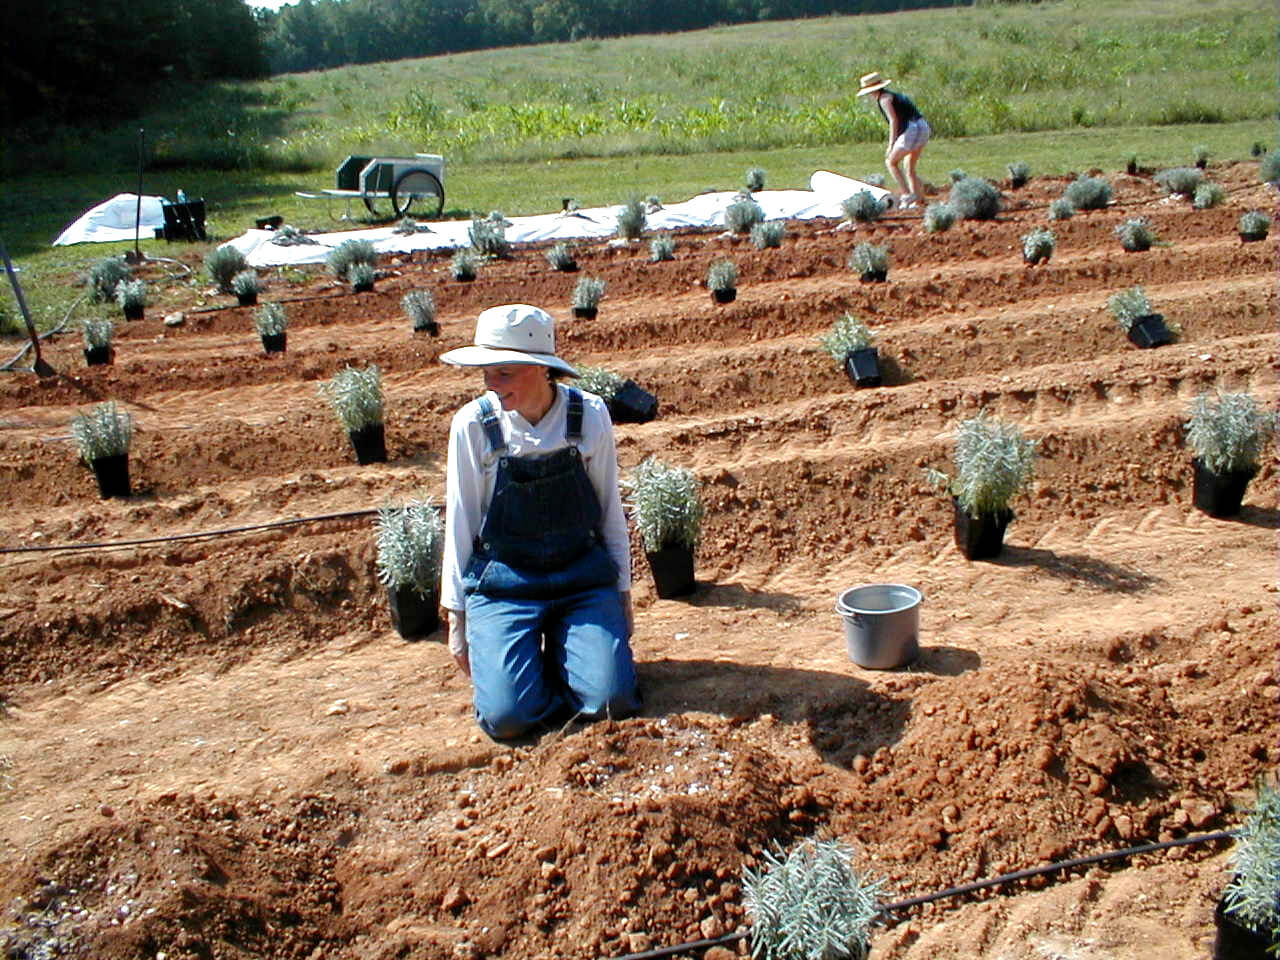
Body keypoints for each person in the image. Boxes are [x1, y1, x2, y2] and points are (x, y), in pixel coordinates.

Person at [438, 303, 640, 740]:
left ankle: (569, 657)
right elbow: (460, 522)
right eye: (486, 372)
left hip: (582, 579)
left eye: (504, 372)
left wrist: (622, 594)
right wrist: (457, 618)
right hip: (504, 585)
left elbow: (609, 510)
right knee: (507, 717)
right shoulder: (473, 424)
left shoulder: (588, 415)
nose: (491, 383)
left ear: (542, 370)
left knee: (610, 703)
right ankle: (534, 667)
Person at [856, 71, 931, 210]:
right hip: (923, 126)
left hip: (911, 129)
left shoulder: (884, 99)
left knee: (891, 162)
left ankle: (907, 195)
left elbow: (893, 120)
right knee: (909, 167)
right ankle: (919, 199)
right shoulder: (893, 96)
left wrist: (891, 144)